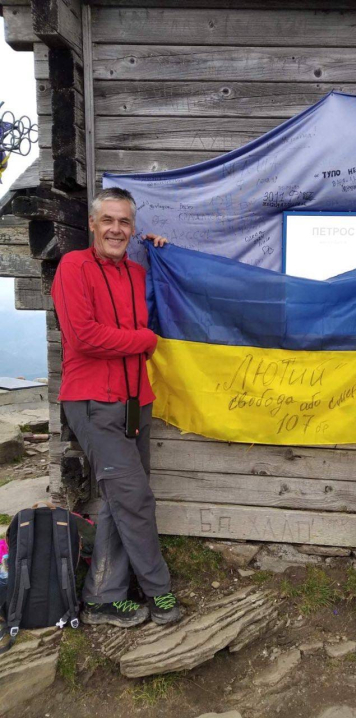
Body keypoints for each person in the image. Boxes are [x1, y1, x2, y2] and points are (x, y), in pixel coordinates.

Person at [51, 187, 183, 628]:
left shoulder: (138, 274)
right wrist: (144, 342)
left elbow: (159, 304)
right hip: (92, 403)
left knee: (117, 500)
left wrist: (163, 260)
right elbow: (84, 336)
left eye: (125, 222)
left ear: (133, 228)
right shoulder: (74, 267)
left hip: (134, 403)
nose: (116, 229)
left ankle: (103, 597)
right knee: (135, 498)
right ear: (92, 224)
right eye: (108, 220)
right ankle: (158, 590)